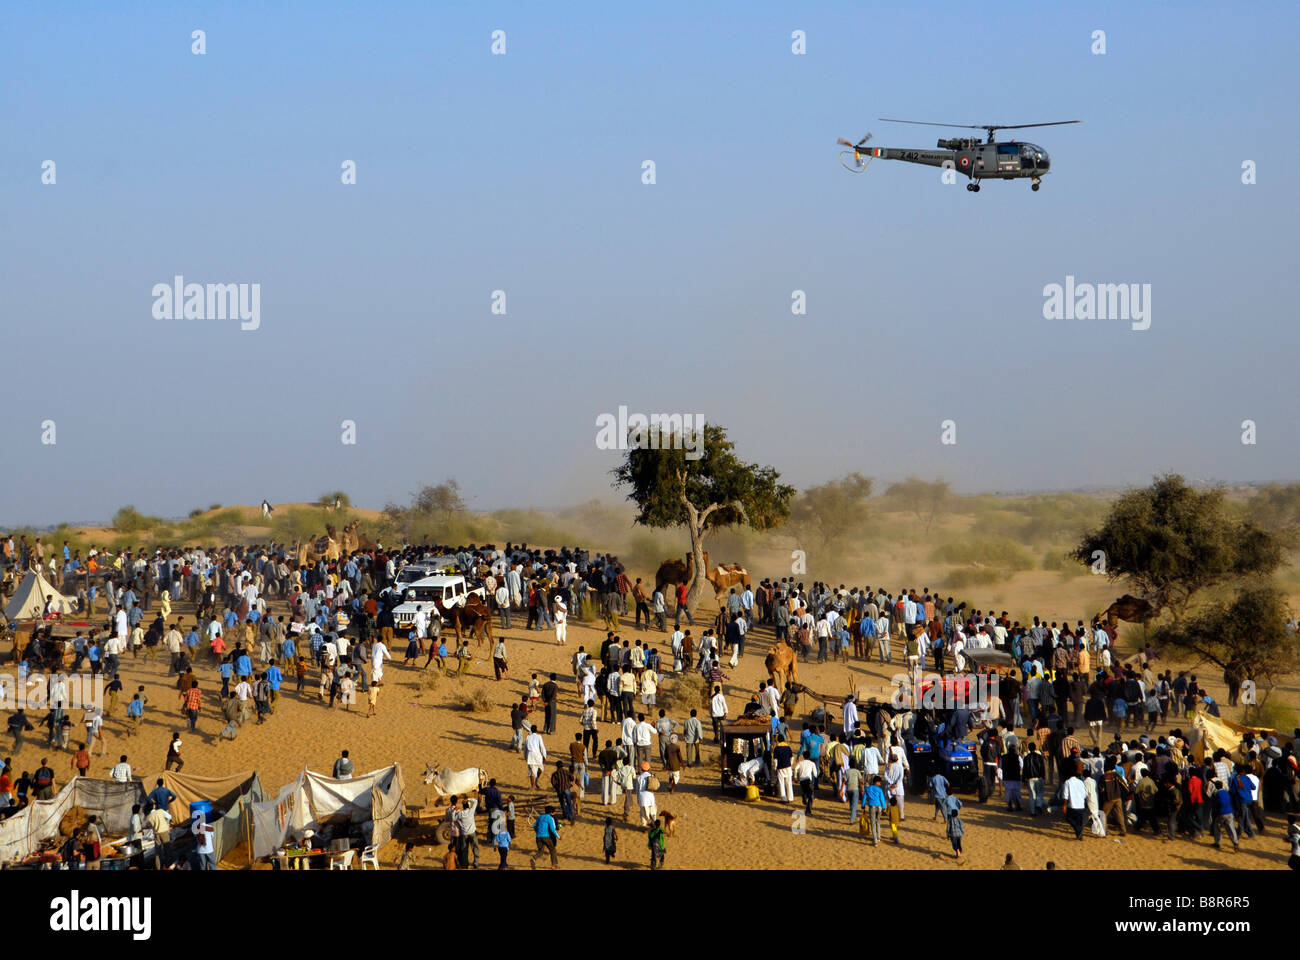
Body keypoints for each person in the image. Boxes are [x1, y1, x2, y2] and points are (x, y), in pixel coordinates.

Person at [533, 804, 560, 869]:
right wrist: (558, 836)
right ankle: (554, 865)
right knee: (553, 850)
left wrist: (537, 832)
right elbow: (553, 829)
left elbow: (534, 826)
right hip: (546, 837)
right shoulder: (550, 818)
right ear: (551, 812)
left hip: (538, 837)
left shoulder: (540, 817)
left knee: (541, 851)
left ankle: (534, 859)